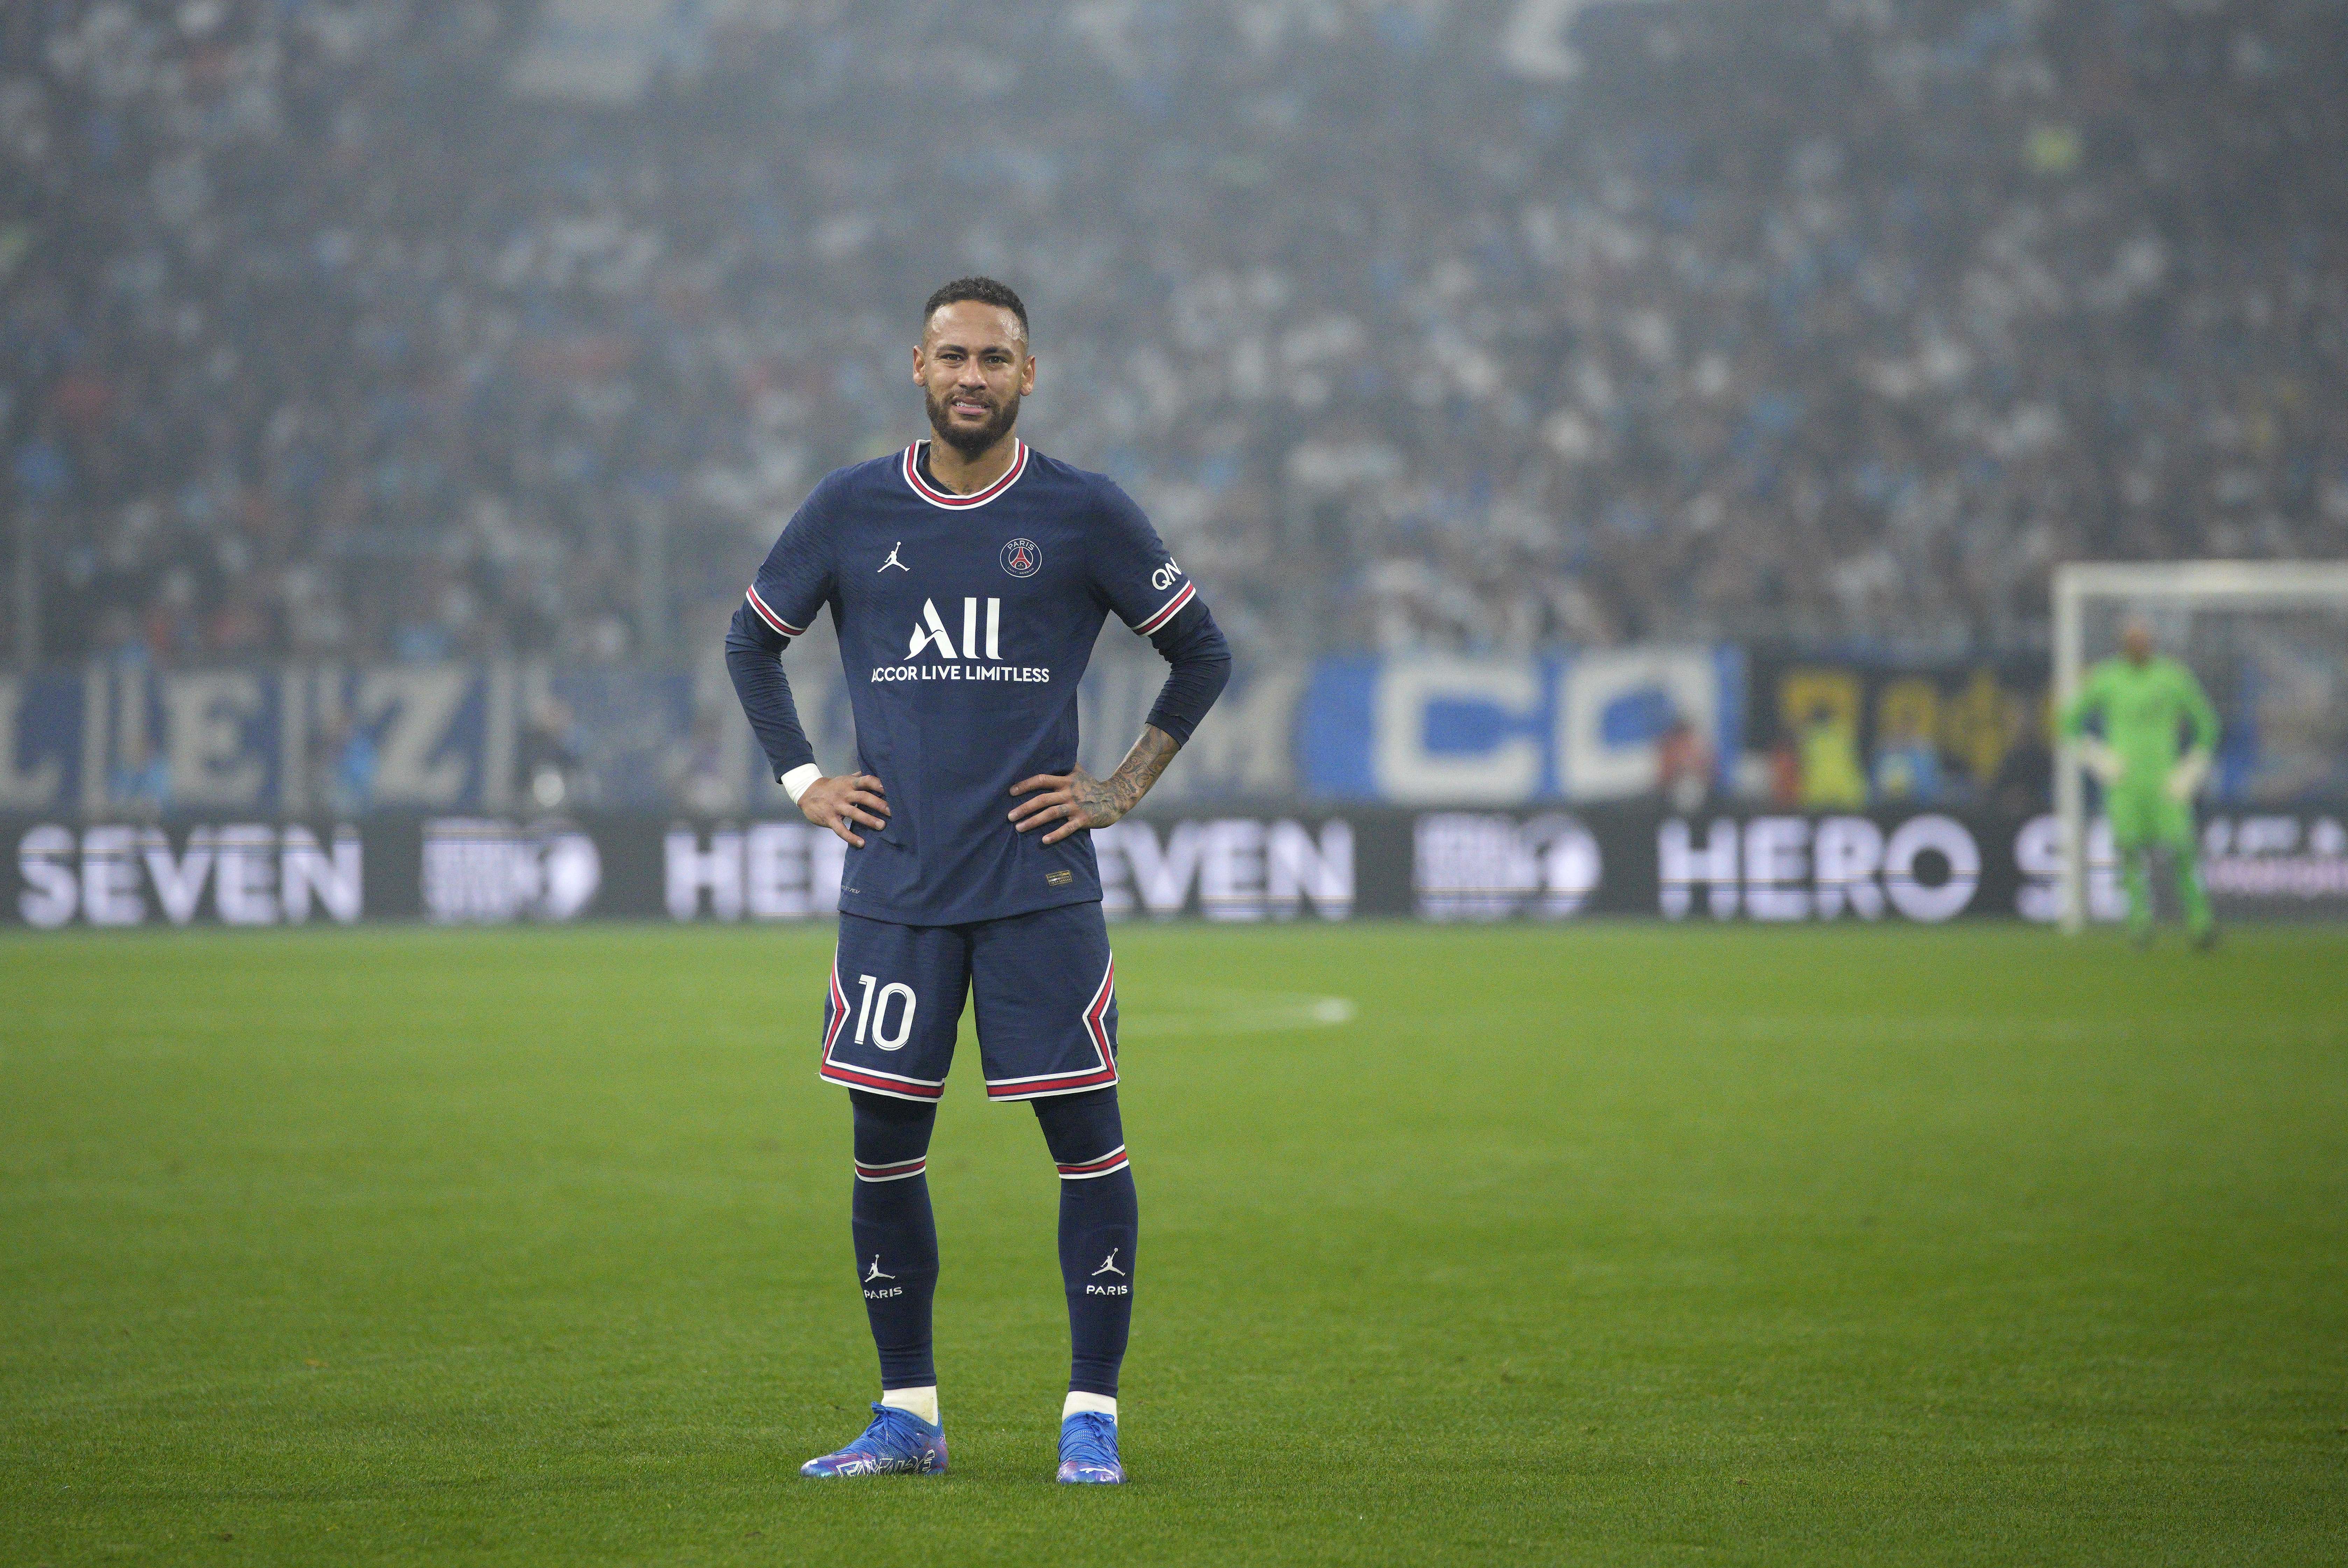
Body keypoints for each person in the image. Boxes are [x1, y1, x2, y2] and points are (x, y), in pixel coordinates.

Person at [724, 278, 1231, 1485]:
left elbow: (1200, 650)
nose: (971, 375)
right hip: (895, 886)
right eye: (951, 355)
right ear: (917, 366)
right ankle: (908, 1413)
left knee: (1086, 1142)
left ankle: (1089, 1416)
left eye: (993, 358)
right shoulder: (850, 506)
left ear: (1027, 374)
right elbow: (751, 639)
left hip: (1036, 884)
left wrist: (1120, 786)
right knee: (883, 1148)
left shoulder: (1082, 510)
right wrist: (804, 780)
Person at [2058, 620, 2219, 947]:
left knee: (2182, 850)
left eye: (2143, 639)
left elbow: (2207, 723)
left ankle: (2200, 922)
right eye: (2132, 639)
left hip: (2166, 783)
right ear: (2123, 643)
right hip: (2124, 784)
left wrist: (2191, 768)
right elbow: (2068, 723)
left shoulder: (2172, 677)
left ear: (2152, 642)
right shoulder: (2107, 678)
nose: (2138, 645)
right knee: (2128, 852)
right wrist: (2097, 758)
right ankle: (2139, 924)